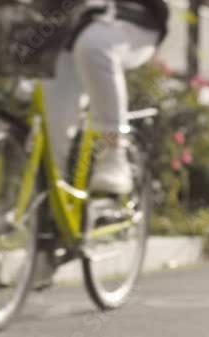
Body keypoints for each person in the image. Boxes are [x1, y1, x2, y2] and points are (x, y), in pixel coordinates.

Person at [44, 0, 169, 196]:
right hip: (68, 29)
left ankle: (114, 152)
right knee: (51, 119)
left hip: (130, 18)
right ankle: (45, 196)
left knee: (94, 45)